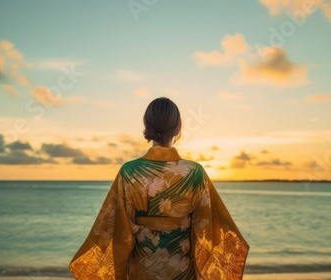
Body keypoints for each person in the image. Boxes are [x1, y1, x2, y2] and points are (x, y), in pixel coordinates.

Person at [69, 97, 249, 279]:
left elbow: (116, 230)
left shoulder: (129, 172)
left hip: (142, 271)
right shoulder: (194, 173)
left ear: (146, 126)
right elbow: (207, 227)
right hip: (182, 272)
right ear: (178, 128)